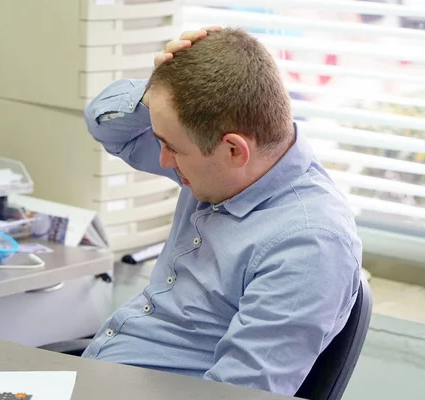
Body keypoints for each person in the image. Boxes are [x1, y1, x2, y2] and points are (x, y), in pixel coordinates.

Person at [81, 26, 361, 396]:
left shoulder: (311, 246)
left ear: (234, 150)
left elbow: (237, 393)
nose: (163, 159)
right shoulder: (224, 167)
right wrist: (155, 95)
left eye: (172, 148)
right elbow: (105, 128)